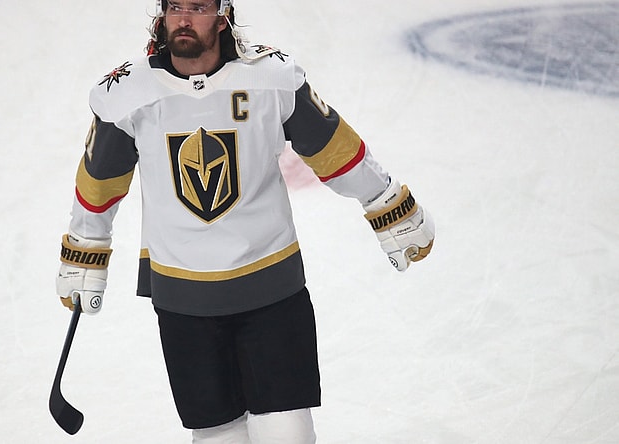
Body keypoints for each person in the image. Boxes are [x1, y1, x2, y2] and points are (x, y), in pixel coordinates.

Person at [55, 0, 435, 442]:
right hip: (183, 302)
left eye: (198, 7)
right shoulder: (127, 94)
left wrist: (387, 203)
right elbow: (101, 179)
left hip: (271, 290)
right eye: (175, 6)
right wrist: (85, 249)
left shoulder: (269, 77)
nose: (184, 18)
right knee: (217, 438)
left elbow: (334, 149)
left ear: (222, 15)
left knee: (288, 433)